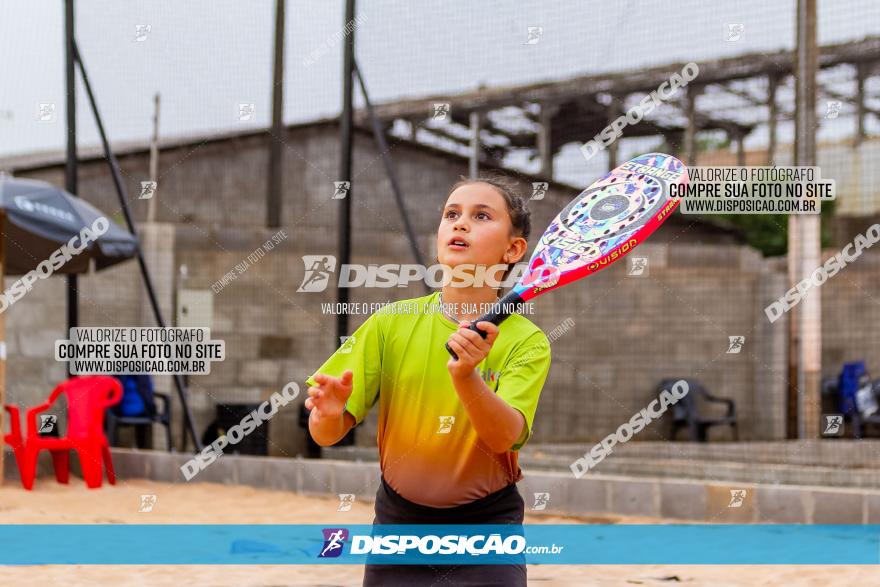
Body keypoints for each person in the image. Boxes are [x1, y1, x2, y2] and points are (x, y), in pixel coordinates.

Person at [305, 174, 552, 586]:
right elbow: (325, 435)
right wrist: (328, 415)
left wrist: (467, 378)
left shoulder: (529, 341)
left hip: (487, 531)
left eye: (481, 216)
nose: (460, 224)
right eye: (451, 214)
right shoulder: (390, 324)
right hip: (398, 528)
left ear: (513, 249)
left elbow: (504, 437)